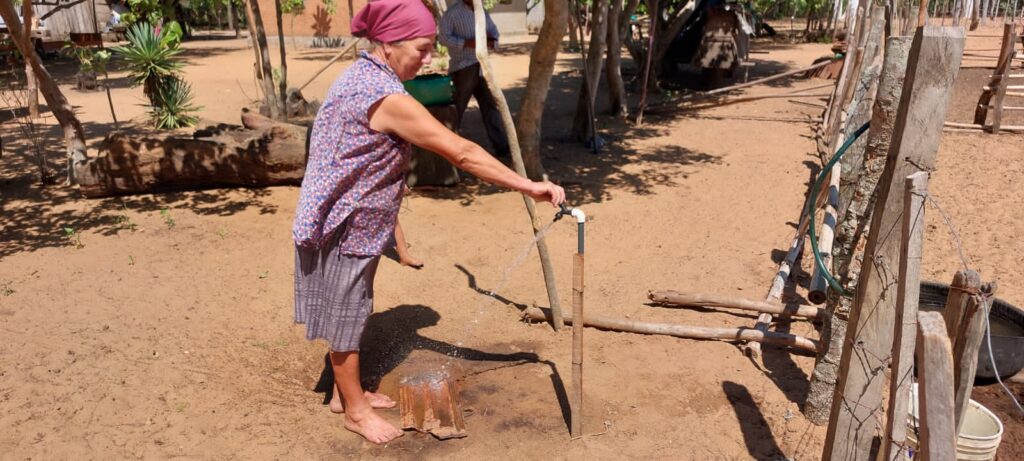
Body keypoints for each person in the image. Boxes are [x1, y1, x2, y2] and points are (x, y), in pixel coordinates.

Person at [291, 0, 565, 445]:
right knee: (347, 311)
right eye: (420, 48)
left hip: (356, 218)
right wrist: (527, 185)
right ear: (388, 43)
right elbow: (462, 152)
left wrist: (398, 239)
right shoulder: (384, 96)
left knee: (355, 305)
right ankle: (355, 412)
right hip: (343, 222)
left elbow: (366, 162)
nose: (428, 58)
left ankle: (347, 392)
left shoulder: (369, 76)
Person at [438, 0, 510, 157]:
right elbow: (443, 38)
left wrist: (492, 41)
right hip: (463, 68)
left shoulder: (481, 11)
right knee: (457, 108)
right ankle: (446, 147)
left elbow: (494, 32)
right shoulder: (452, 14)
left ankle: (501, 146)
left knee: (490, 106)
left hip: (483, 67)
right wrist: (465, 43)